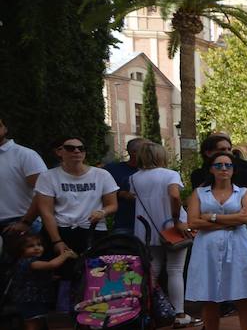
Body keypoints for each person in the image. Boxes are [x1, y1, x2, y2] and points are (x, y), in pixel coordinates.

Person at [185, 150, 247, 330]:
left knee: (244, 295)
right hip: (207, 251)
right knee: (209, 297)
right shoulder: (198, 194)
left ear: (233, 169)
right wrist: (231, 219)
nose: (224, 169)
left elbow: (246, 217)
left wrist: (211, 217)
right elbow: (192, 222)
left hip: (238, 248)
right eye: (218, 165)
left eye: (228, 165)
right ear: (211, 169)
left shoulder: (243, 192)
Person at [129, 141, 193, 328]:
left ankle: (148, 311)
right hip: (172, 228)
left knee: (153, 271)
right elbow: (174, 195)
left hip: (147, 229)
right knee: (175, 270)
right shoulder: (170, 174)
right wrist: (176, 219)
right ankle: (179, 313)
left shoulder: (134, 178)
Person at [34, 136, 118, 273]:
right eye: (70, 148)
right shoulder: (48, 177)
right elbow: (46, 212)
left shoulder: (102, 175)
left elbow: (112, 205)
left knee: (95, 273)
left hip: (93, 230)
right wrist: (57, 241)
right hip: (62, 229)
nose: (76, 151)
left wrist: (102, 212)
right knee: (62, 274)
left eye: (81, 148)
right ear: (60, 152)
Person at [6, 232, 75, 330]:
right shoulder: (29, 262)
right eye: (31, 246)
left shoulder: (26, 262)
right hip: (30, 299)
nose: (37, 248)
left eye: (39, 245)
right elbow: (51, 265)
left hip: (32, 298)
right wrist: (65, 255)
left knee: (36, 324)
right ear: (20, 250)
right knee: (32, 326)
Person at [0, 117, 47, 235]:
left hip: (18, 223)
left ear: (5, 129)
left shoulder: (24, 155)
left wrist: (26, 222)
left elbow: (44, 191)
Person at [104, 137, 146, 234]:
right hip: (124, 223)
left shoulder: (153, 172)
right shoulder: (112, 170)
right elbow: (99, 192)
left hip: (149, 224)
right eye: (147, 150)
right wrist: (120, 194)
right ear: (133, 152)